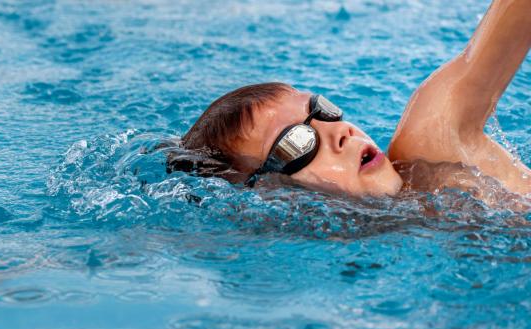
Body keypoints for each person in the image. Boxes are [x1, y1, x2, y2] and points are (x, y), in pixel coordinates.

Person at [174, 0, 531, 201]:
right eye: (297, 141)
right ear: (268, 193)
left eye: (322, 111)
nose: (341, 131)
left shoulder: (433, 152)